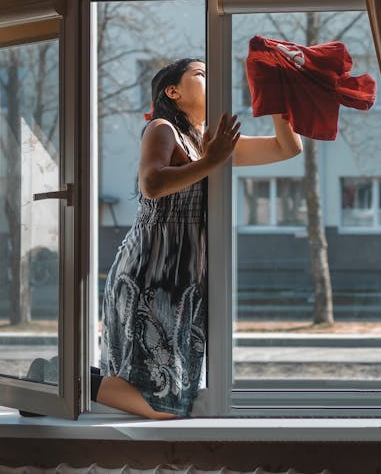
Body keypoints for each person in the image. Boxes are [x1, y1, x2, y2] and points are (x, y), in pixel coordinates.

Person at [93, 57, 303, 419]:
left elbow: (287, 148)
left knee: (175, 391)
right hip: (150, 273)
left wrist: (277, 96)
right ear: (172, 91)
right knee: (165, 403)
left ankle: (62, 380)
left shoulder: (208, 140)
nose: (212, 79)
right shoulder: (163, 129)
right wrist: (212, 160)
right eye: (201, 74)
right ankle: (59, 380)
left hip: (184, 278)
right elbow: (152, 183)